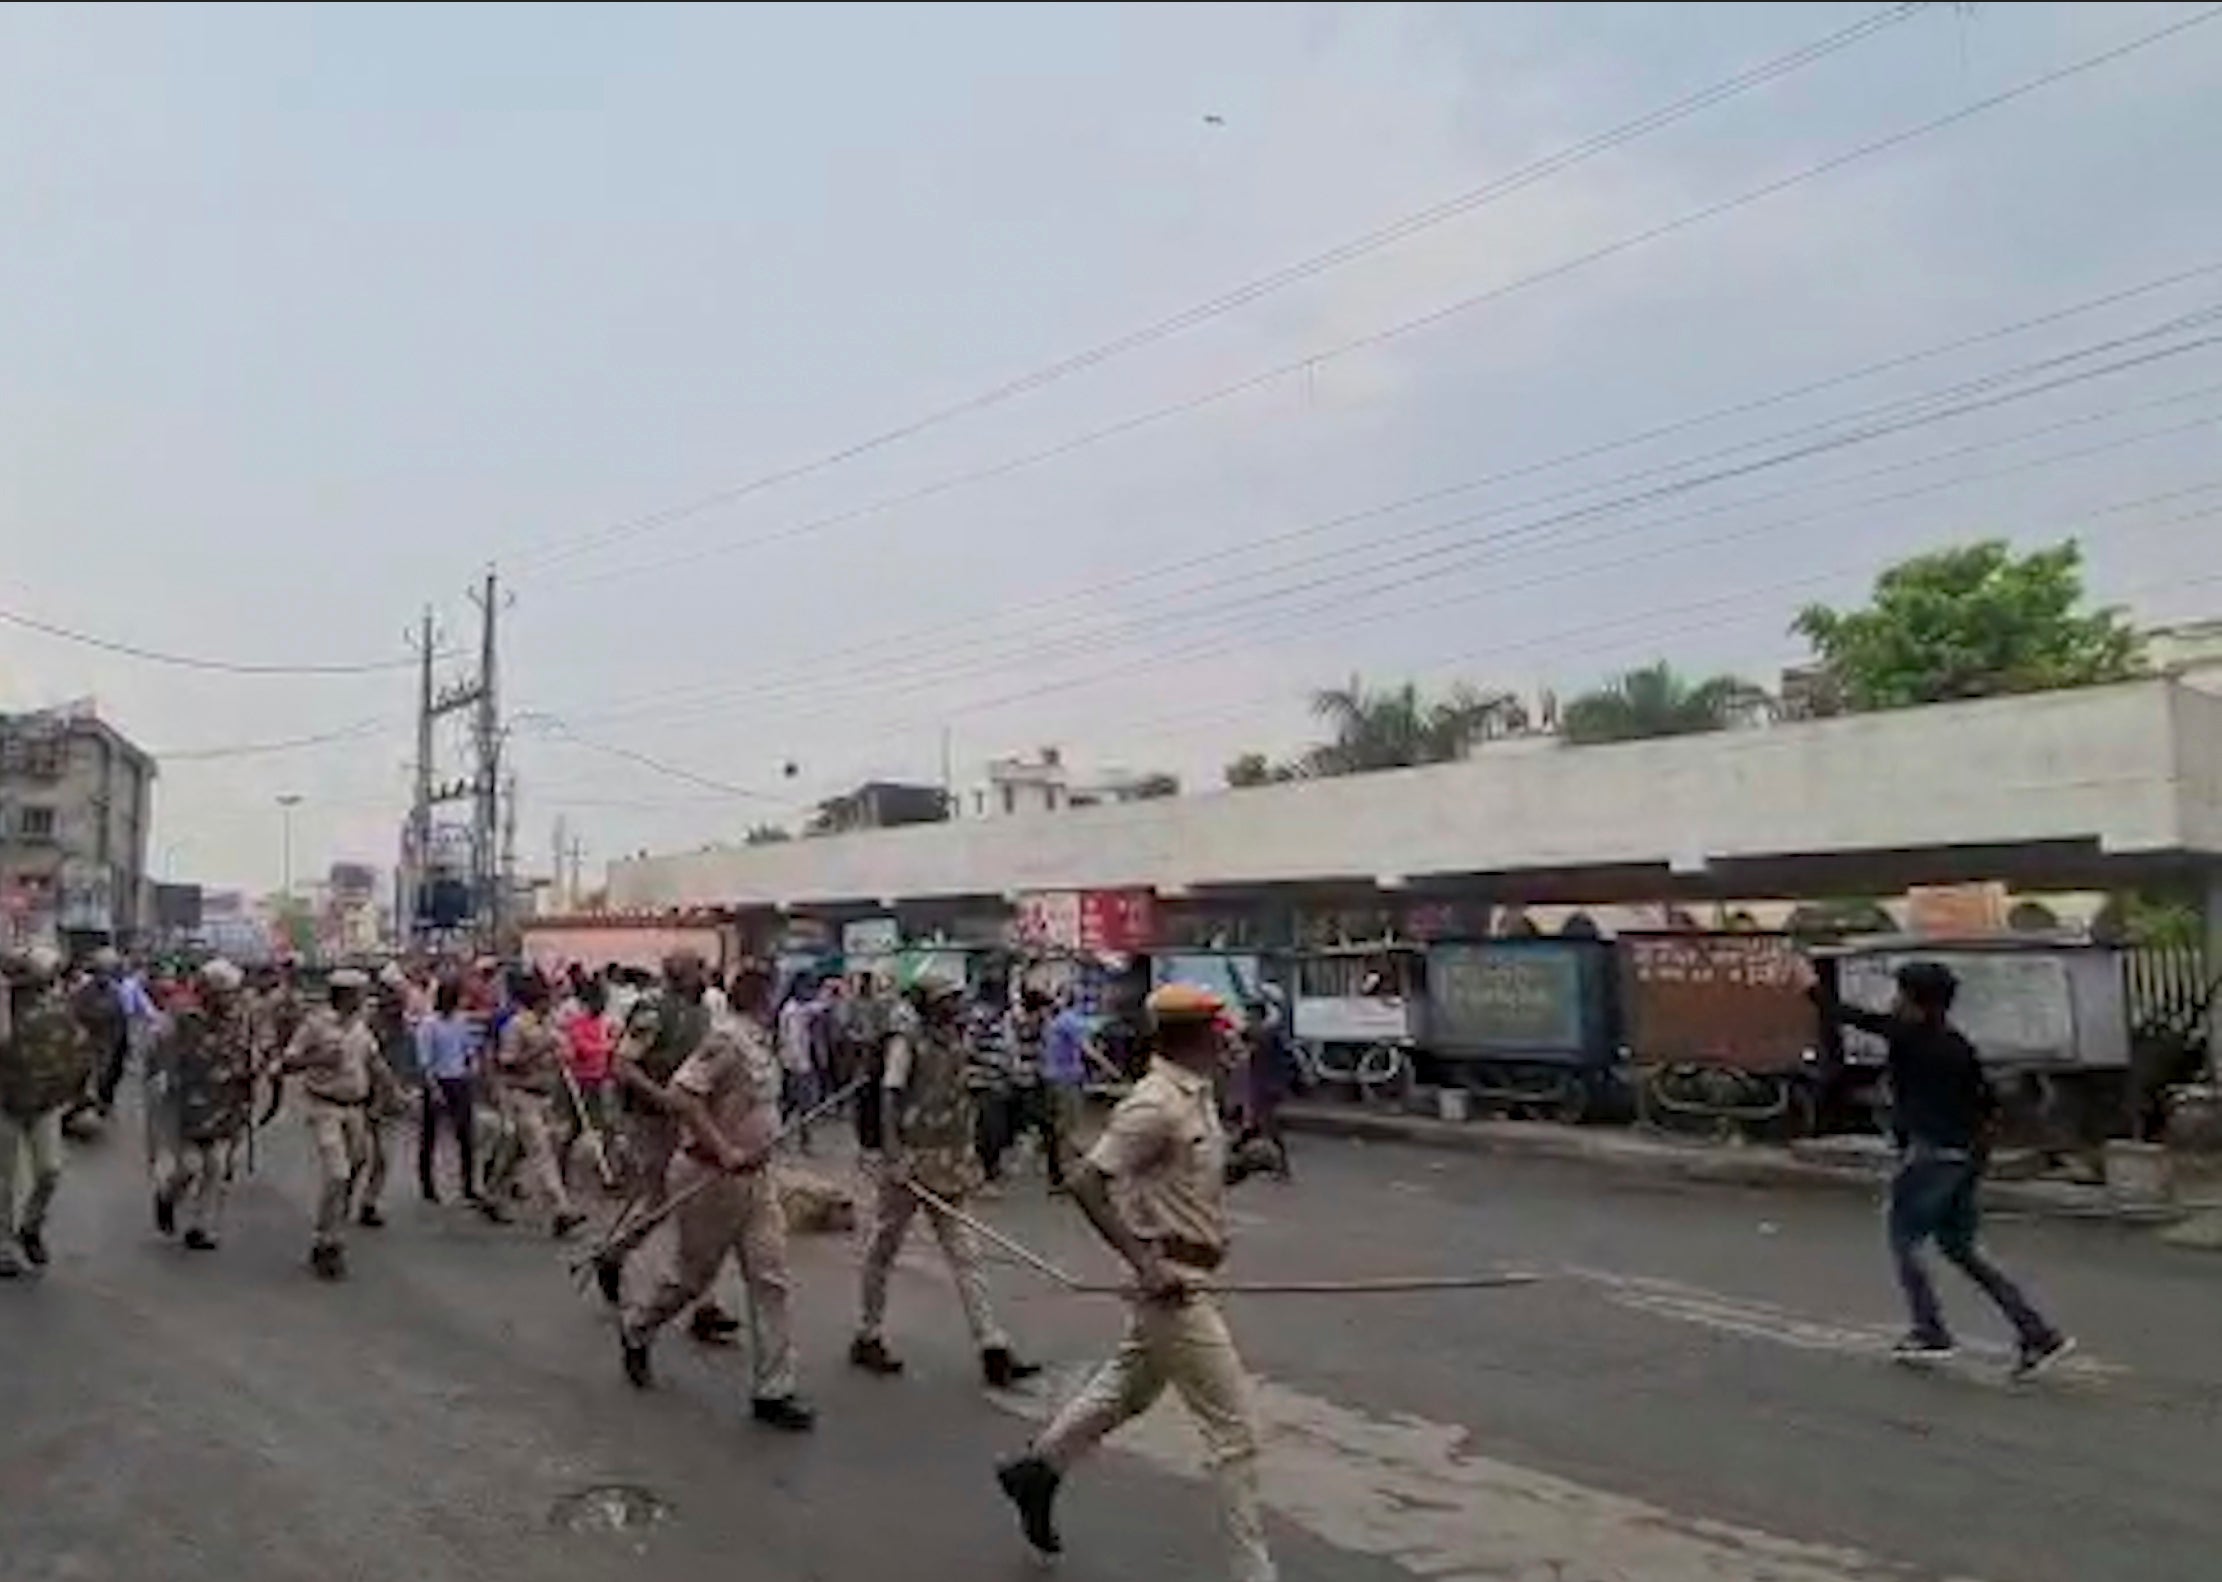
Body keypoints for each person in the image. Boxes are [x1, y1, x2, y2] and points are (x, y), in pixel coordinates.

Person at [997, 983, 1281, 1582]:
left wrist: (1240, 1169)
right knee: (1236, 1434)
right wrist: (1145, 1263)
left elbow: (1182, 1185)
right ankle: (1253, 1573)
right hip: (1172, 1285)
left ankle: (1039, 1470)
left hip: (1190, 1274)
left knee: (1128, 1389)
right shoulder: (1155, 1104)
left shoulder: (1195, 1097)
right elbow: (1086, 1182)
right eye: (1217, 1030)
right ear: (1195, 1035)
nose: (1226, 1039)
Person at [1809, 959, 2073, 1376]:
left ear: (1915, 1002)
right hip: (1965, 1154)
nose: (1894, 1002)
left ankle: (1929, 1330)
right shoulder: (1956, 1043)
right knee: (1960, 1248)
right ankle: (2036, 1332)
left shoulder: (1913, 1037)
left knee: (1904, 1239)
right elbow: (1985, 1102)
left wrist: (1813, 992)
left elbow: (1856, 1018)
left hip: (1930, 1154)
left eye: (1900, 994)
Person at [617, 961, 813, 1431]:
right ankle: (638, 1328)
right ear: (764, 996)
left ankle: (774, 1389)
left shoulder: (761, 1042)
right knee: (692, 1277)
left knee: (771, 1278)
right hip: (711, 1175)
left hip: (757, 1177)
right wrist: (723, 1147)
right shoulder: (725, 1039)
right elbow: (683, 1094)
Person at [850, 971, 1038, 1388]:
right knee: (883, 1247)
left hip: (951, 1161)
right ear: (928, 1002)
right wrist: (893, 1152)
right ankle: (869, 1332)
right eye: (948, 997)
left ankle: (992, 1345)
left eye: (957, 996)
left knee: (966, 1254)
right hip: (911, 1162)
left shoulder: (956, 1038)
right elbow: (890, 1093)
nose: (957, 1002)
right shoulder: (906, 1041)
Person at [596, 949, 741, 1343]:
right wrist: (663, 1097)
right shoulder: (653, 1011)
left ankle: (701, 1301)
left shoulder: (703, 1012)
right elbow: (623, 1066)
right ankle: (617, 1255)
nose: (707, 975)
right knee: (665, 1201)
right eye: (700, 969)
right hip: (652, 1117)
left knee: (691, 1202)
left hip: (687, 1115)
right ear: (685, 975)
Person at [279, 968, 385, 1280]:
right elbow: (288, 1062)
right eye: (357, 994)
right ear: (343, 996)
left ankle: (334, 1222)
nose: (362, 999)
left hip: (355, 1109)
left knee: (356, 1165)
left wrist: (394, 1092)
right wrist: (318, 1059)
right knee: (337, 1173)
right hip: (324, 1106)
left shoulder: (361, 1027)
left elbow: (375, 1062)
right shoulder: (314, 1025)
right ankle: (326, 1241)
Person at [149, 959, 257, 1251]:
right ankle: (166, 1197)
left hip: (224, 1100)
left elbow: (248, 1053)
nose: (230, 998)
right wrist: (164, 1077)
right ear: (207, 991)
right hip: (187, 1101)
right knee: (189, 1166)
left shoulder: (241, 1019)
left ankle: (201, 1226)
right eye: (225, 992)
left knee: (216, 1166)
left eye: (233, 992)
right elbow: (159, 1046)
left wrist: (249, 1081)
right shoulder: (183, 1016)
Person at [0, 945, 94, 1277]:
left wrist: (80, 1100)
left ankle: (31, 1225)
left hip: (45, 1104)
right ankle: (4, 1247)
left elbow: (78, 1053)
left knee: (50, 1170)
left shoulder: (58, 1011)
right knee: (6, 1181)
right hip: (5, 1103)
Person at [483, 972, 588, 1238]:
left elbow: (566, 1053)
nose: (552, 1002)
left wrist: (564, 1051)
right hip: (522, 1095)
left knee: (516, 1152)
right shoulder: (516, 1026)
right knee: (542, 1152)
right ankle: (561, 1209)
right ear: (537, 1001)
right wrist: (541, 1050)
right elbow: (507, 1062)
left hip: (545, 1096)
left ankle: (491, 1193)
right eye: (547, 998)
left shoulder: (550, 1024)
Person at [415, 978, 481, 1205]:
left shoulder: (460, 1021)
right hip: (439, 1079)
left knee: (466, 1136)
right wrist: (433, 1089)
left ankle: (469, 1185)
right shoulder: (429, 1024)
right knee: (430, 1135)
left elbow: (469, 1049)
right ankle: (428, 1185)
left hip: (459, 1080)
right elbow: (425, 1062)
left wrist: (472, 1066)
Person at [1039, 988, 1095, 1191]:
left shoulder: (1057, 1021)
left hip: (1055, 1077)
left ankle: (1060, 1172)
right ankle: (1065, 1175)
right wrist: (1113, 1070)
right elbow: (1087, 1049)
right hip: (1065, 1079)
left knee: (1061, 1126)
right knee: (1067, 1128)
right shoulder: (1071, 1021)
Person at [776, 976, 824, 1153]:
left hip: (794, 1061)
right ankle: (804, 1140)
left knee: (792, 1102)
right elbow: (793, 1040)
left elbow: (816, 1008)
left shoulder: (795, 1008)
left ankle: (781, 1133)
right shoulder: (793, 1011)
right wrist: (801, 1065)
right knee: (803, 1103)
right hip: (796, 1062)